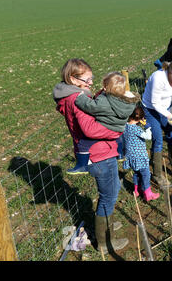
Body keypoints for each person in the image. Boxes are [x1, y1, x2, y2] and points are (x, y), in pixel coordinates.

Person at [53, 58, 128, 254]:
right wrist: (116, 132)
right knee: (109, 195)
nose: (91, 82)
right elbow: (90, 129)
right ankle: (104, 242)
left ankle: (106, 226)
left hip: (98, 151)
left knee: (110, 192)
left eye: (92, 78)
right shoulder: (77, 99)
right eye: (87, 79)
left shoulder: (74, 95)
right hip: (100, 153)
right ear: (73, 79)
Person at [74, 71, 140, 164]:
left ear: (106, 88)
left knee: (83, 143)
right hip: (119, 129)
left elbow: (91, 106)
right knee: (118, 138)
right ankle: (121, 154)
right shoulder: (128, 101)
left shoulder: (105, 101)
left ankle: (83, 164)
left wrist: (80, 98)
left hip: (105, 127)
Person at [141, 58, 172, 185]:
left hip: (166, 108)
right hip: (150, 110)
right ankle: (157, 175)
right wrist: (171, 117)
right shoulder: (158, 78)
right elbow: (155, 103)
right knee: (158, 139)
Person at [122, 106, 160, 202]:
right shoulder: (136, 129)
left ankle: (136, 190)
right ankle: (148, 193)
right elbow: (148, 137)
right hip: (139, 156)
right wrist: (147, 128)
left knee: (136, 173)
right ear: (140, 119)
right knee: (146, 173)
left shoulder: (125, 126)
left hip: (130, 155)